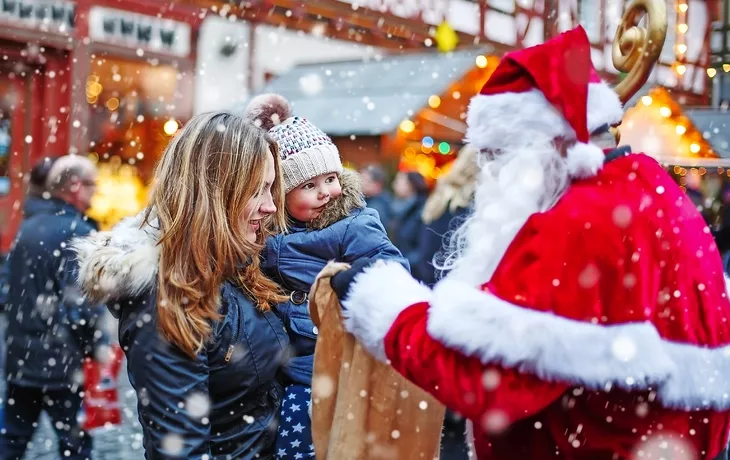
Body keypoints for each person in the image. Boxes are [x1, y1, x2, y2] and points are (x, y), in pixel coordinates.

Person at [329, 27, 730, 459]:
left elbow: (485, 378)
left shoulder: (583, 220)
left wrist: (382, 302)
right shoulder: (649, 190)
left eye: (499, 157)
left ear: (542, 144)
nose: (493, 176)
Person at [72, 112, 291, 459]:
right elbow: (180, 449)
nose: (270, 205)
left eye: (270, 188)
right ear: (216, 193)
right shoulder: (164, 294)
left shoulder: (234, 261)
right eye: (257, 190)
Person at [244, 94, 407, 460]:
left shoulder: (354, 223)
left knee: (315, 439)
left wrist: (354, 280)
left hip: (330, 361)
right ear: (281, 196)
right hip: (286, 366)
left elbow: (390, 266)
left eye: (330, 179)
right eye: (308, 186)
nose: (324, 193)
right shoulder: (271, 234)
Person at [1, 154, 105, 460]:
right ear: (74, 186)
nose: (95, 191)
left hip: (22, 358)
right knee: (75, 446)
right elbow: (81, 305)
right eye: (91, 184)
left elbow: (8, 291)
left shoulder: (29, 225)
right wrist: (94, 348)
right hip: (62, 364)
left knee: (13, 440)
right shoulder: (76, 231)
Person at [389, 170, 430, 281]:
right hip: (403, 270)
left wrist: (401, 264)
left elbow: (423, 249)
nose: (394, 185)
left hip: (414, 275)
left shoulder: (423, 212)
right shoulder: (399, 209)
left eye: (399, 181)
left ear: (411, 186)